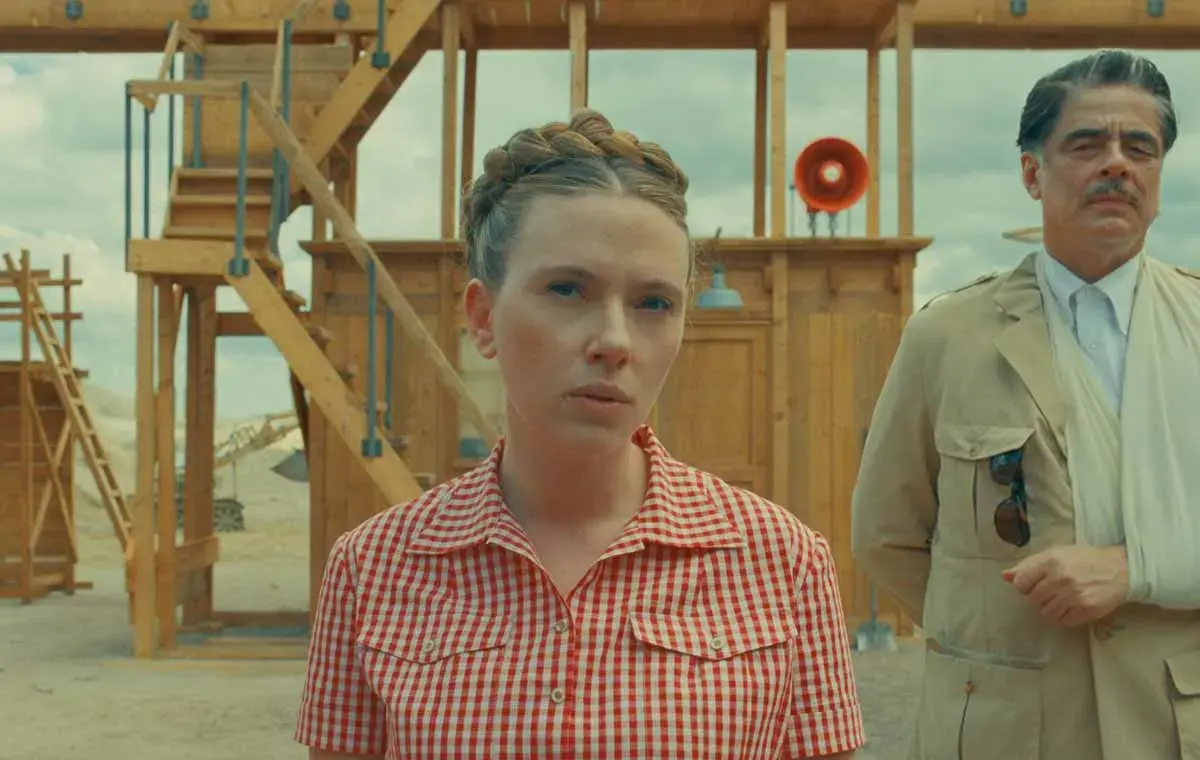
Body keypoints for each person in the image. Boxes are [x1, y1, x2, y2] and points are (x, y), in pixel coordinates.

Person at [294, 109, 865, 759]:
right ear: (483, 318)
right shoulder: (373, 568)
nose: (615, 341)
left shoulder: (782, 563)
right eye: (567, 289)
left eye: (654, 303)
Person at [851, 48, 1200, 760]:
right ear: (1032, 174)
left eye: (1139, 148)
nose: (1116, 164)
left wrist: (1137, 571)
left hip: (1174, 718)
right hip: (1004, 726)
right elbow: (887, 535)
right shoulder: (947, 336)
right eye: (1086, 145)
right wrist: (990, 632)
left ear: (1159, 176)